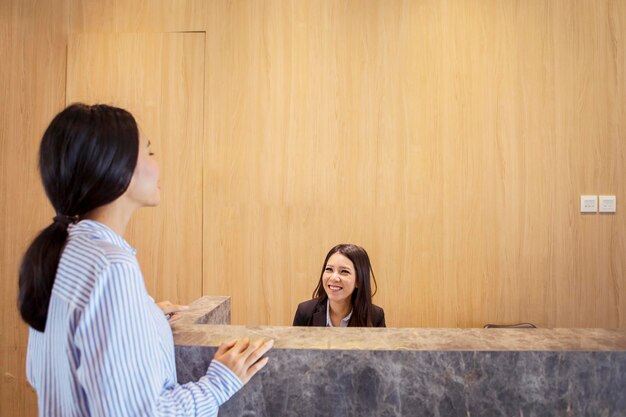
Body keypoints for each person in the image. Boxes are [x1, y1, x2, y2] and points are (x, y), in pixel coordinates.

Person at [18, 103, 273, 416]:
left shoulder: (63, 253)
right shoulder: (111, 266)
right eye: (149, 152)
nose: (158, 164)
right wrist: (220, 381)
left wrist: (144, 317)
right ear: (115, 167)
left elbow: (43, 371)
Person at [293, 244, 386, 327]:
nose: (334, 278)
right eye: (329, 269)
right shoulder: (305, 311)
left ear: (359, 280)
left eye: (344, 271)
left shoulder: (375, 316)